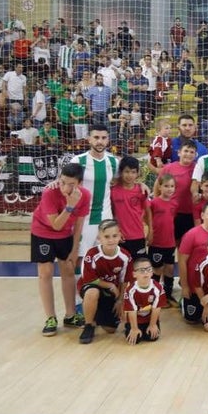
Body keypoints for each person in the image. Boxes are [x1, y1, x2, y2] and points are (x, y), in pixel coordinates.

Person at [31, 162, 90, 336]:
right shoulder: (49, 192)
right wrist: (70, 206)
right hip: (42, 232)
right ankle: (50, 318)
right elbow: (56, 225)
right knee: (46, 272)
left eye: (71, 184)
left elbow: (79, 226)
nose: (65, 187)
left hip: (66, 234)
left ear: (79, 184)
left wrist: (74, 250)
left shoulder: (85, 195)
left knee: (68, 271)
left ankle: (70, 315)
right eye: (62, 181)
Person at [77, 221, 133, 344]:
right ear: (99, 238)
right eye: (106, 237)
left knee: (110, 329)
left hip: (112, 293)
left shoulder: (125, 256)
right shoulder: (91, 254)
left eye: (114, 236)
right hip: (93, 286)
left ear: (120, 236)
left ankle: (95, 314)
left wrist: (120, 301)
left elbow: (125, 281)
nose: (111, 240)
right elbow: (89, 279)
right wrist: (110, 285)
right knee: (92, 292)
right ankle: (88, 325)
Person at [71, 124, 120, 260]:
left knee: (105, 257)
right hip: (83, 219)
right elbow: (67, 185)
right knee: (81, 258)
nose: (100, 141)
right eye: (96, 137)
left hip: (105, 217)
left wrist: (140, 184)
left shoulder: (113, 162)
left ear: (108, 140)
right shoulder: (78, 161)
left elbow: (118, 182)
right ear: (89, 139)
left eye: (103, 138)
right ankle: (82, 282)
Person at [177, 201, 208, 323]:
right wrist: (185, 286)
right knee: (192, 319)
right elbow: (182, 261)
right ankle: (183, 302)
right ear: (202, 216)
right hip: (194, 286)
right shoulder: (191, 234)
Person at [110, 155, 150, 259]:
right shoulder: (113, 191)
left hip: (138, 236)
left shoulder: (141, 191)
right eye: (127, 171)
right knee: (121, 268)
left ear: (137, 173)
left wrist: (151, 231)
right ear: (121, 172)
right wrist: (116, 231)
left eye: (133, 172)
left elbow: (148, 212)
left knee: (139, 268)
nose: (130, 175)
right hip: (120, 237)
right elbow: (111, 214)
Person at [146, 173, 179, 292]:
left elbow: (172, 220)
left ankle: (168, 294)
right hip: (156, 243)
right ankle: (154, 293)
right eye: (166, 186)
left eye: (172, 186)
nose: (169, 189)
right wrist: (150, 233)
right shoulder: (154, 203)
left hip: (169, 243)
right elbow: (147, 218)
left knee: (169, 269)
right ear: (159, 187)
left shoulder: (175, 204)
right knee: (156, 269)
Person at [123, 255, 164, 345]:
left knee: (152, 337)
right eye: (142, 270)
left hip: (149, 319)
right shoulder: (130, 290)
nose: (146, 273)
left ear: (152, 272)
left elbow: (156, 307)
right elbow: (131, 310)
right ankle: (128, 327)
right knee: (135, 339)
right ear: (134, 274)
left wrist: (153, 324)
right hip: (135, 320)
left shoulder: (158, 287)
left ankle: (151, 325)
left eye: (148, 269)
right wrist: (134, 328)